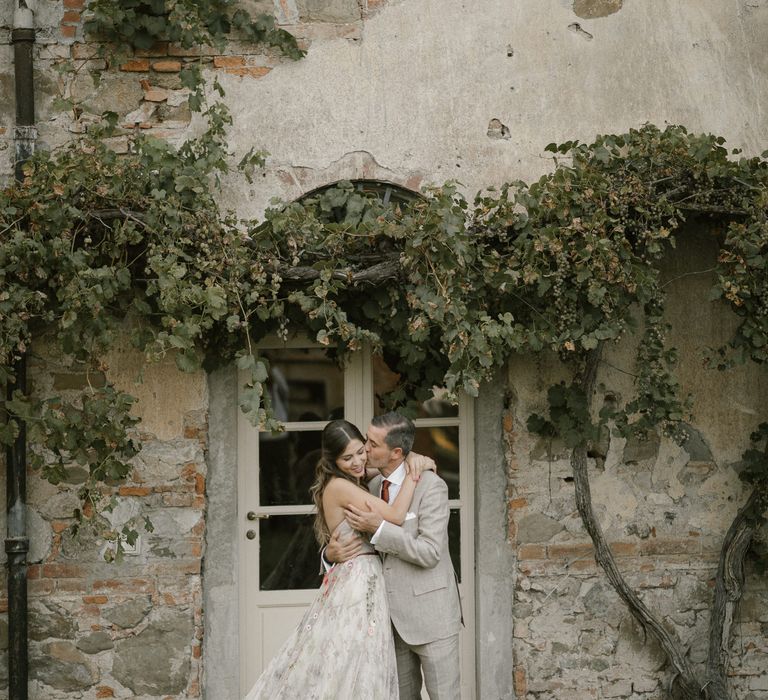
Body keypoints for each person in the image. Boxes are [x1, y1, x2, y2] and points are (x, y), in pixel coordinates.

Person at [245, 419, 429, 699]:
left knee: (358, 660)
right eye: (347, 458)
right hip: (356, 582)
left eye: (360, 452)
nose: (357, 462)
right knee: (349, 659)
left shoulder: (355, 480)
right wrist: (415, 475)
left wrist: (411, 456)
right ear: (333, 460)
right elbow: (395, 517)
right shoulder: (340, 487)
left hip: (360, 578)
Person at [329, 412, 462, 700]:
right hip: (388, 620)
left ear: (397, 453)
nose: (365, 448)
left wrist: (379, 530)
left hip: (432, 617)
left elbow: (430, 552)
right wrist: (329, 553)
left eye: (372, 444)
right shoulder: (371, 487)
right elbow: (341, 531)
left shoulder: (431, 486)